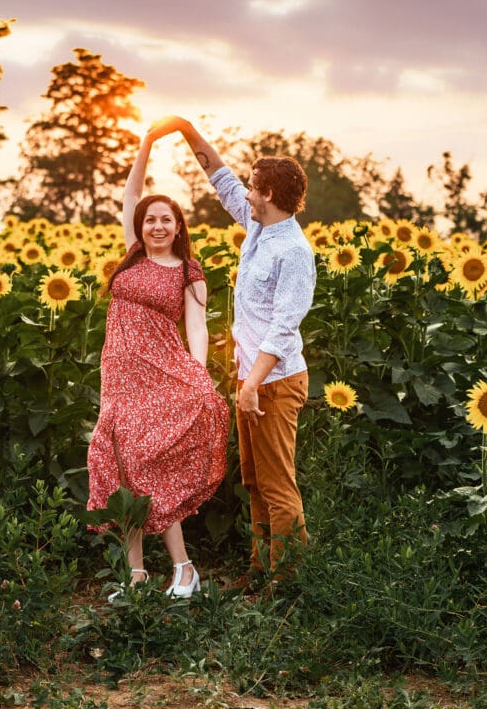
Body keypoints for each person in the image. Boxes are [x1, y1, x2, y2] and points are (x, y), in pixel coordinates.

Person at [147, 117, 316, 583]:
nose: (247, 194)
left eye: (254, 188)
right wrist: (183, 129)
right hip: (253, 379)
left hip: (275, 383)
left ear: (271, 196)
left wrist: (252, 385)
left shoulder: (294, 253)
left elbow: (284, 331)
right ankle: (261, 569)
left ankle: (289, 582)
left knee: (278, 487)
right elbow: (221, 178)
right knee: (254, 483)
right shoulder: (260, 228)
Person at [86, 130, 229, 599]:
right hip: (119, 379)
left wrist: (199, 374)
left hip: (161, 375)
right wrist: (146, 143)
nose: (157, 227)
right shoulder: (132, 255)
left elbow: (198, 329)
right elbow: (130, 193)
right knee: (122, 467)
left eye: (166, 220)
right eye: (151, 220)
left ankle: (183, 568)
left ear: (178, 226)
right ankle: (136, 576)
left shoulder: (190, 272)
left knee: (149, 470)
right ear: (141, 226)